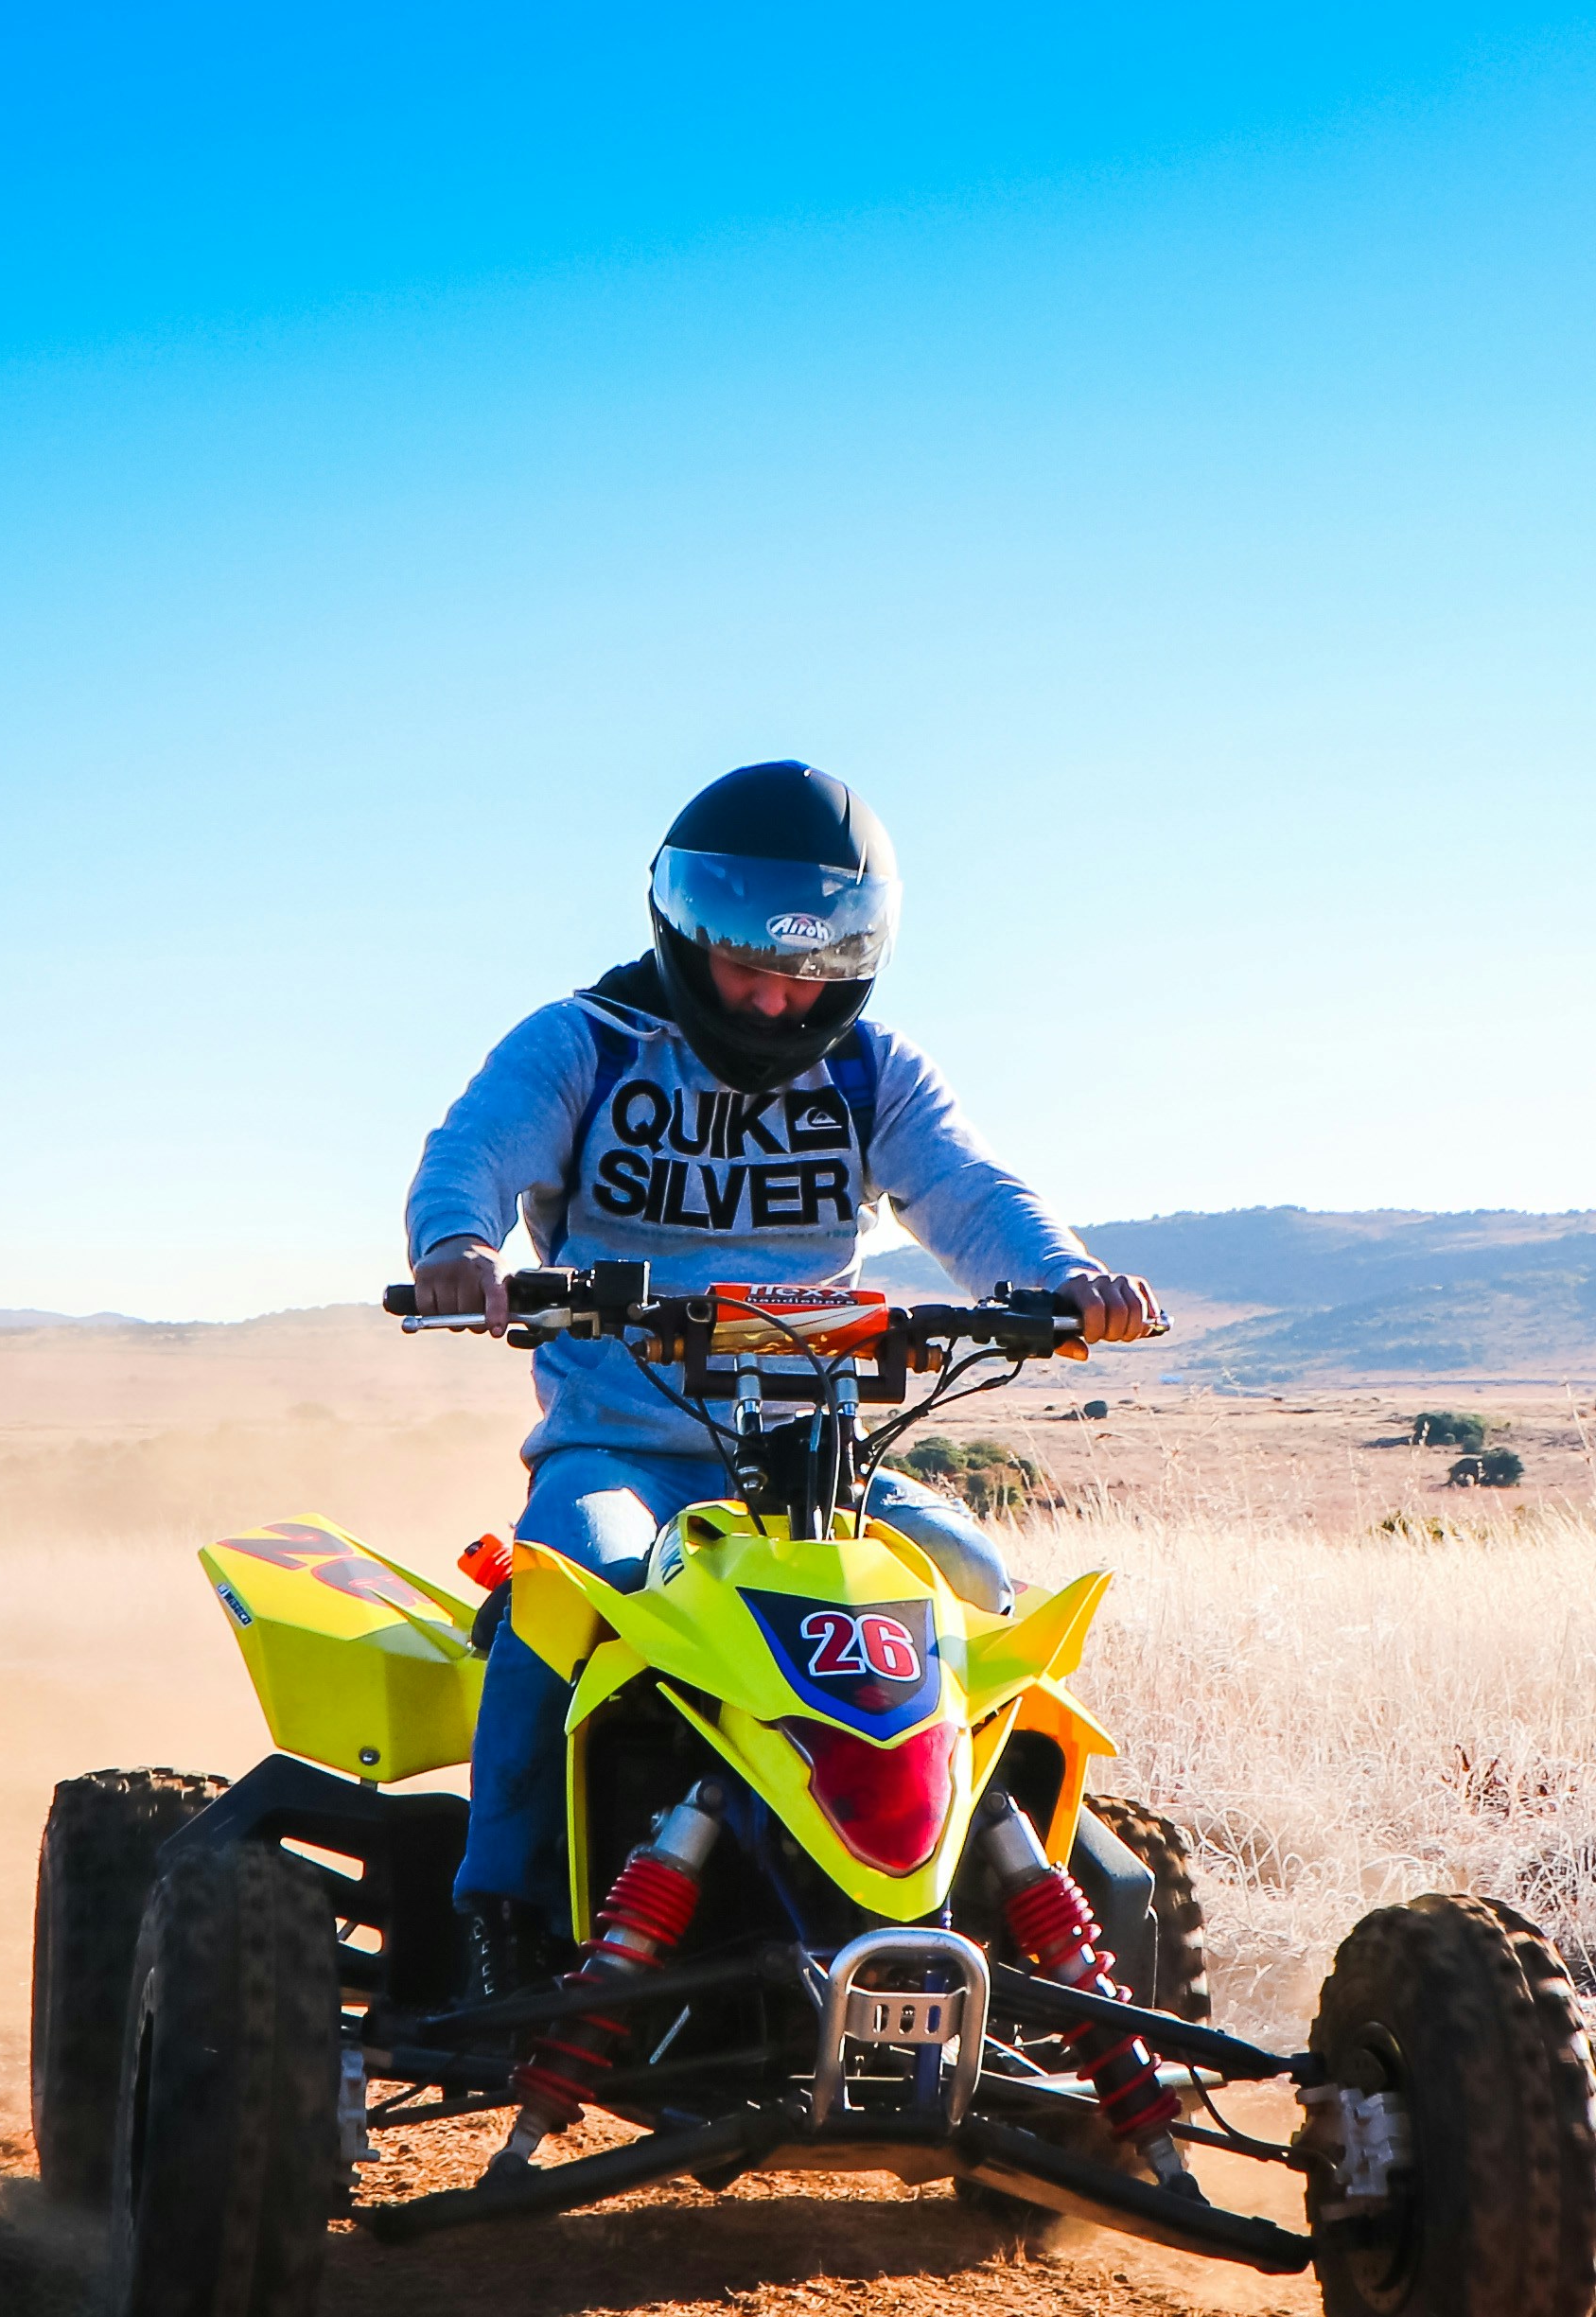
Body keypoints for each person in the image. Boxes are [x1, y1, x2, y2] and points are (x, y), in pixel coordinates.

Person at [403, 760, 1157, 2001]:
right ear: (685, 926)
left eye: (810, 973)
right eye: (750, 965)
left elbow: (968, 1190)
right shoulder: (586, 1045)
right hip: (624, 1452)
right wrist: (457, 1248)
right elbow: (475, 1148)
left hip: (822, 1463)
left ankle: (1000, 1915)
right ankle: (505, 1911)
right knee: (571, 1580)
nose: (774, 998)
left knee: (973, 1584)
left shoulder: (872, 1070)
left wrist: (1065, 1277)